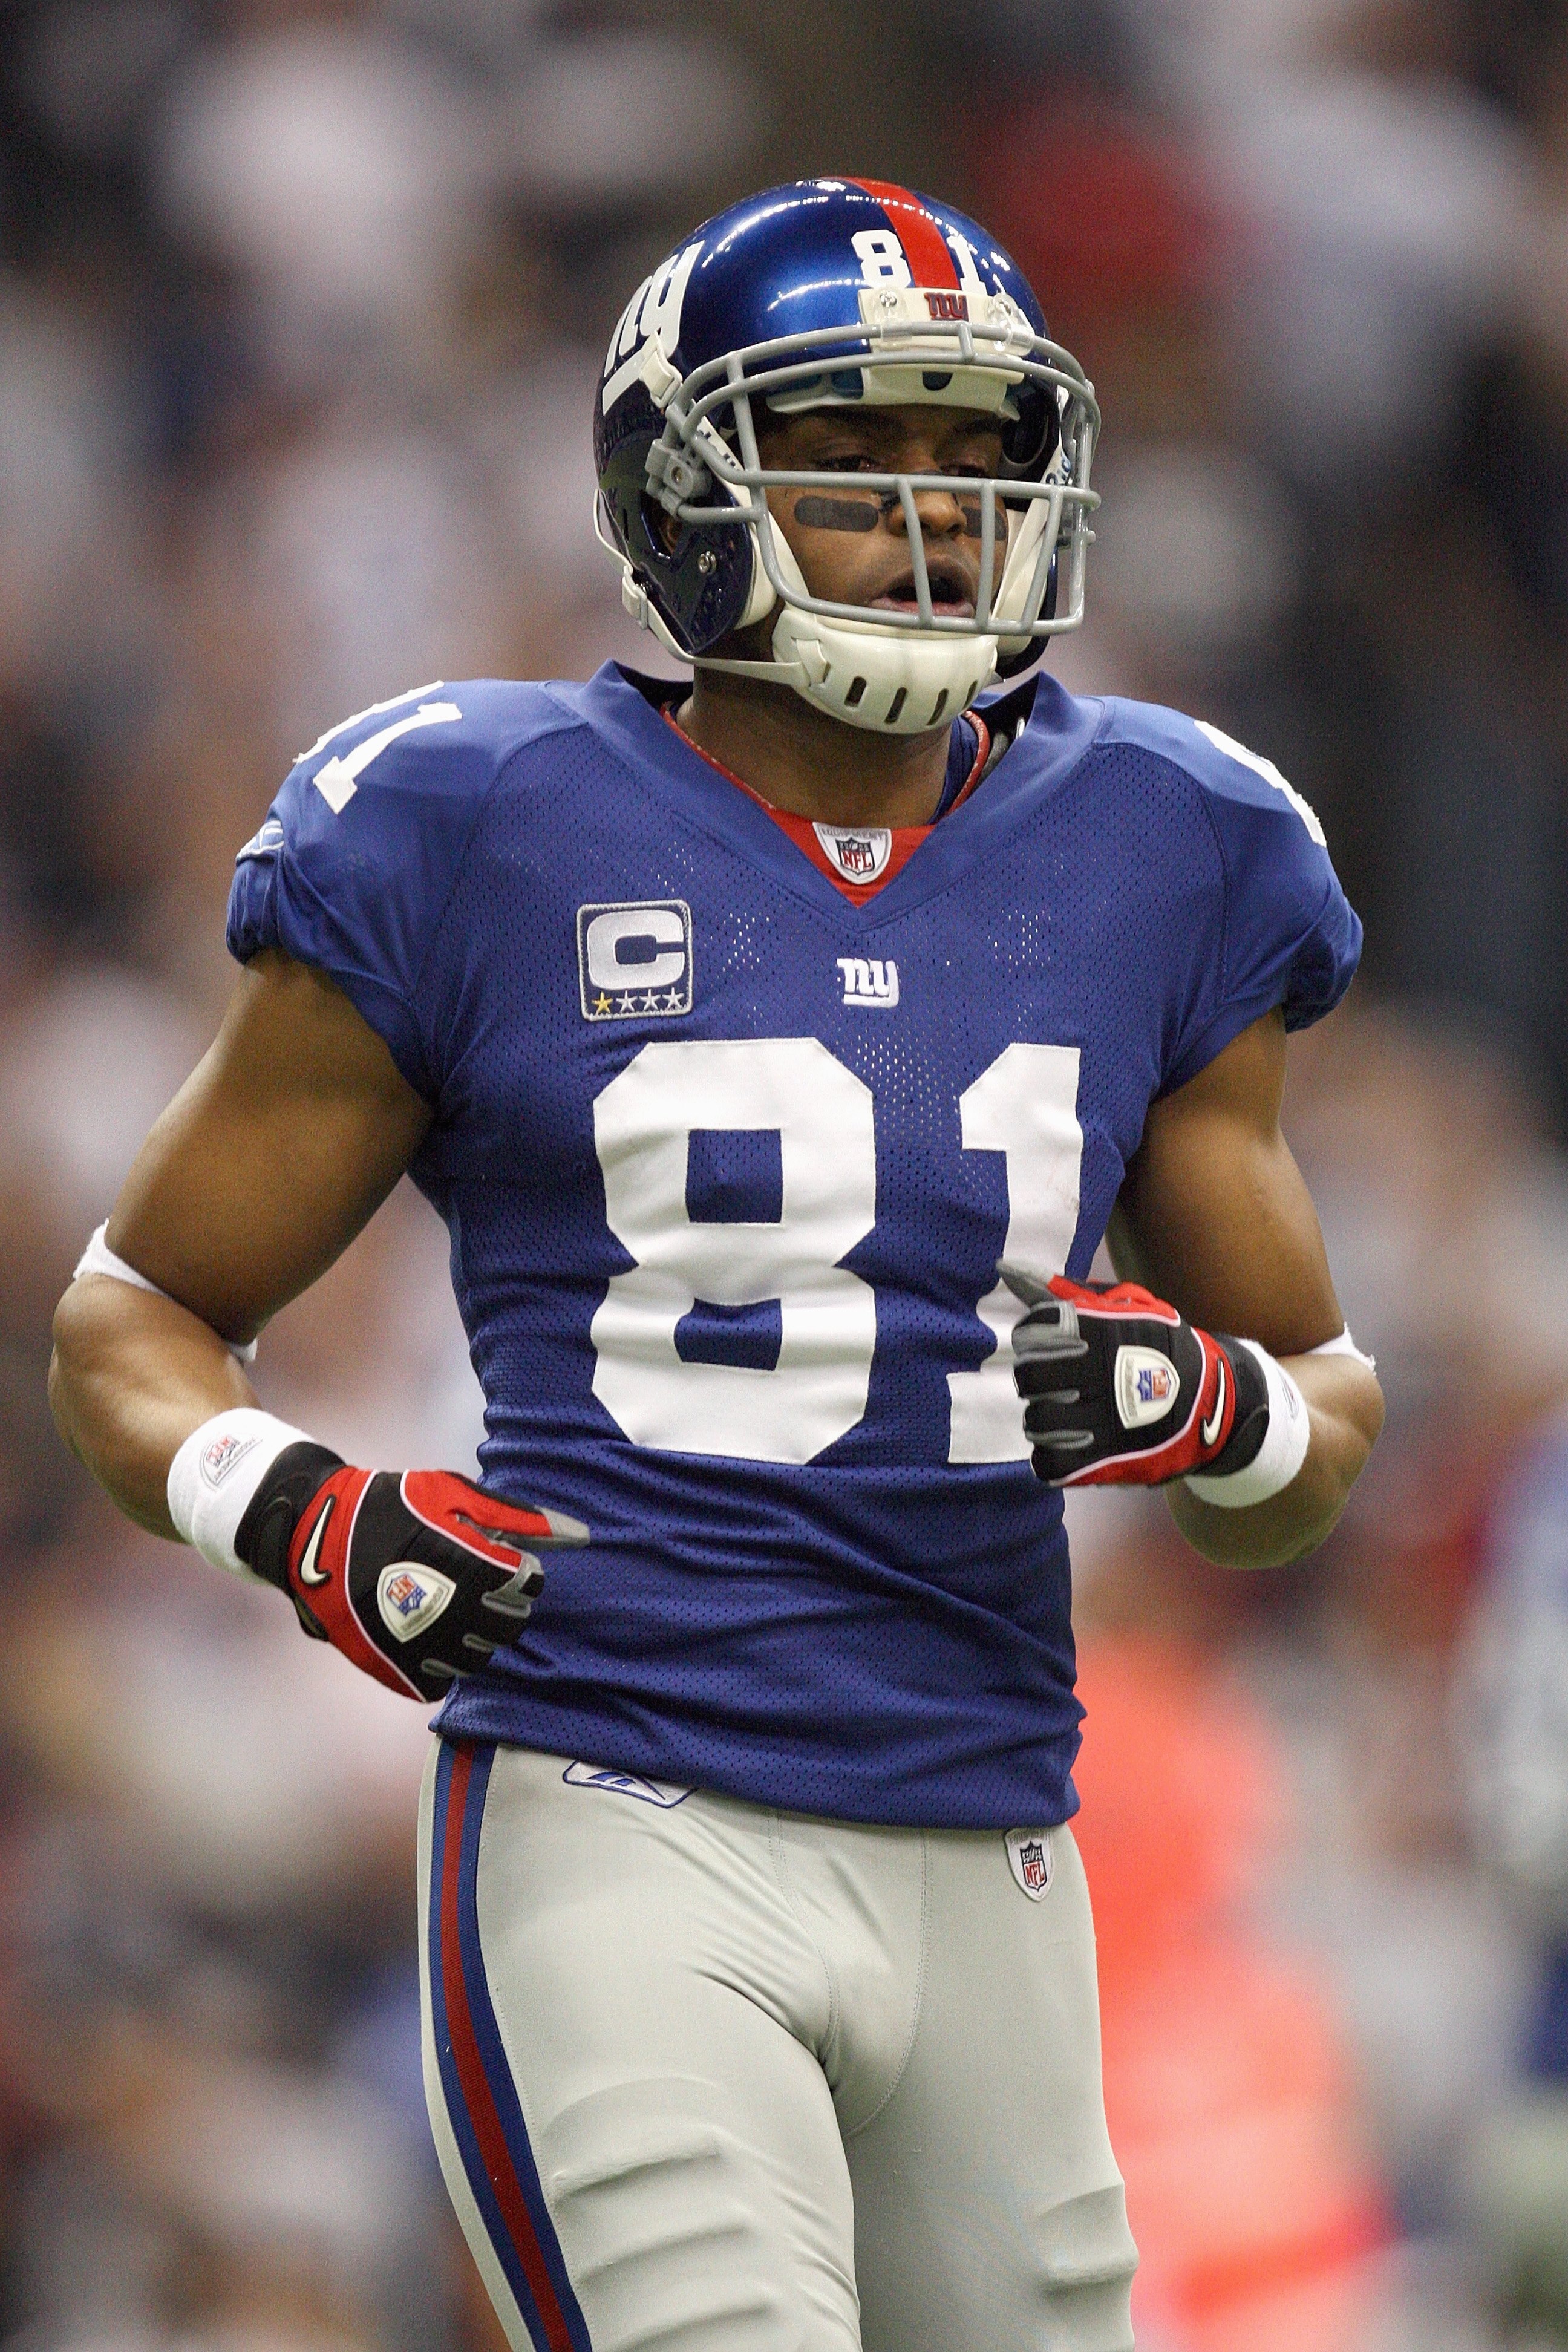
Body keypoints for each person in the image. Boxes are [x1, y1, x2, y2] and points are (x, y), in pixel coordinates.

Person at [49, 179, 1383, 2352]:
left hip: (996, 1839)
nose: (938, 520)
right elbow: (134, 1317)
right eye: (863, 456)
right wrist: (296, 1509)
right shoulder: (467, 824)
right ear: (685, 486)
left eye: (982, 459)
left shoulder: (1178, 842)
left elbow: (1320, 1413)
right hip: (620, 1795)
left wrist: (1213, 1408)